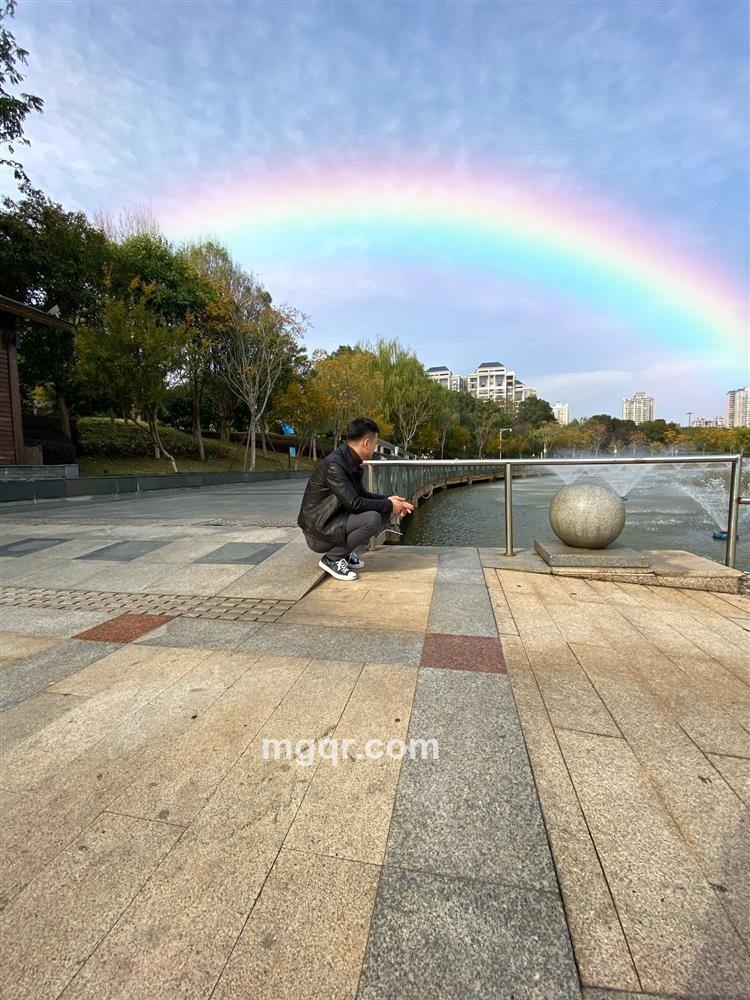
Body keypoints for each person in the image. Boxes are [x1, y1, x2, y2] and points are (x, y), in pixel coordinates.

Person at [297, 417, 415, 581]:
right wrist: (389, 504)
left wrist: (389, 500)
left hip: (330, 521)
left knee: (381, 510)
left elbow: (360, 495)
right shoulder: (336, 465)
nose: (375, 448)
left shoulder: (349, 460)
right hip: (317, 532)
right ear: (367, 443)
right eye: (375, 443)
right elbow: (354, 503)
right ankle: (333, 559)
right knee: (372, 518)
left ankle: (344, 554)